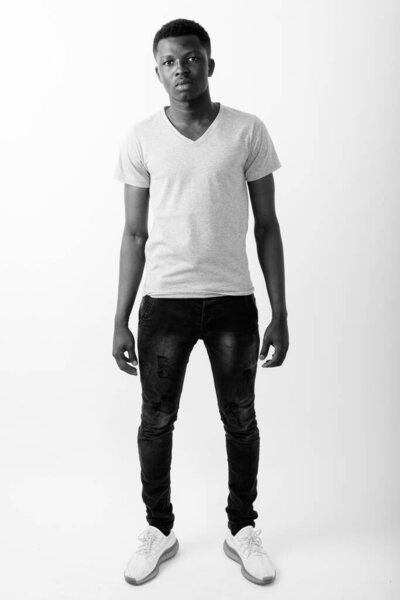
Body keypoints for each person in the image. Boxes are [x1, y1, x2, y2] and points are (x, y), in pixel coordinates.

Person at [112, 18, 289, 586]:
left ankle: (242, 530)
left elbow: (267, 226)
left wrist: (280, 310)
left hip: (233, 301)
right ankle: (159, 530)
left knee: (240, 419)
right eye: (168, 62)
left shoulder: (247, 131)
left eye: (190, 58)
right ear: (157, 71)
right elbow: (134, 235)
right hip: (164, 304)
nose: (180, 70)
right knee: (156, 420)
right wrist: (119, 318)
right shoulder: (141, 138)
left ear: (209, 63)